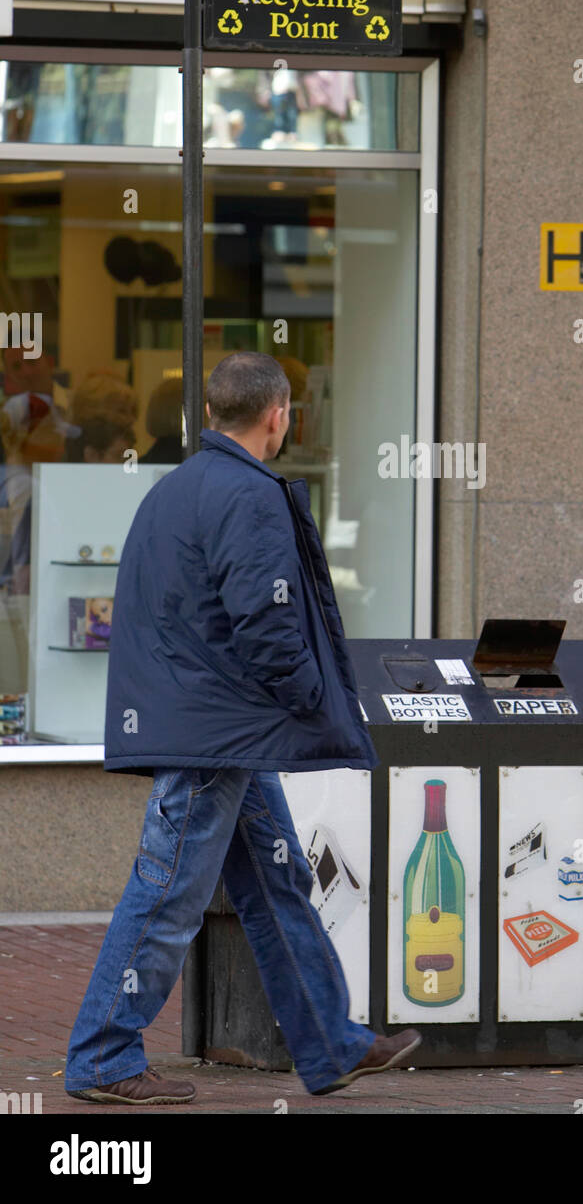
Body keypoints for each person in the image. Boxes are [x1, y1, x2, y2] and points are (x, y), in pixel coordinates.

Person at [64, 351, 420, 1104]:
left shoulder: (176, 488)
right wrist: (312, 699)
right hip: (216, 735)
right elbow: (267, 620)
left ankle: (331, 1043)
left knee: (277, 878)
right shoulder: (249, 494)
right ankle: (103, 1055)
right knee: (167, 894)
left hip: (215, 727)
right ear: (277, 415)